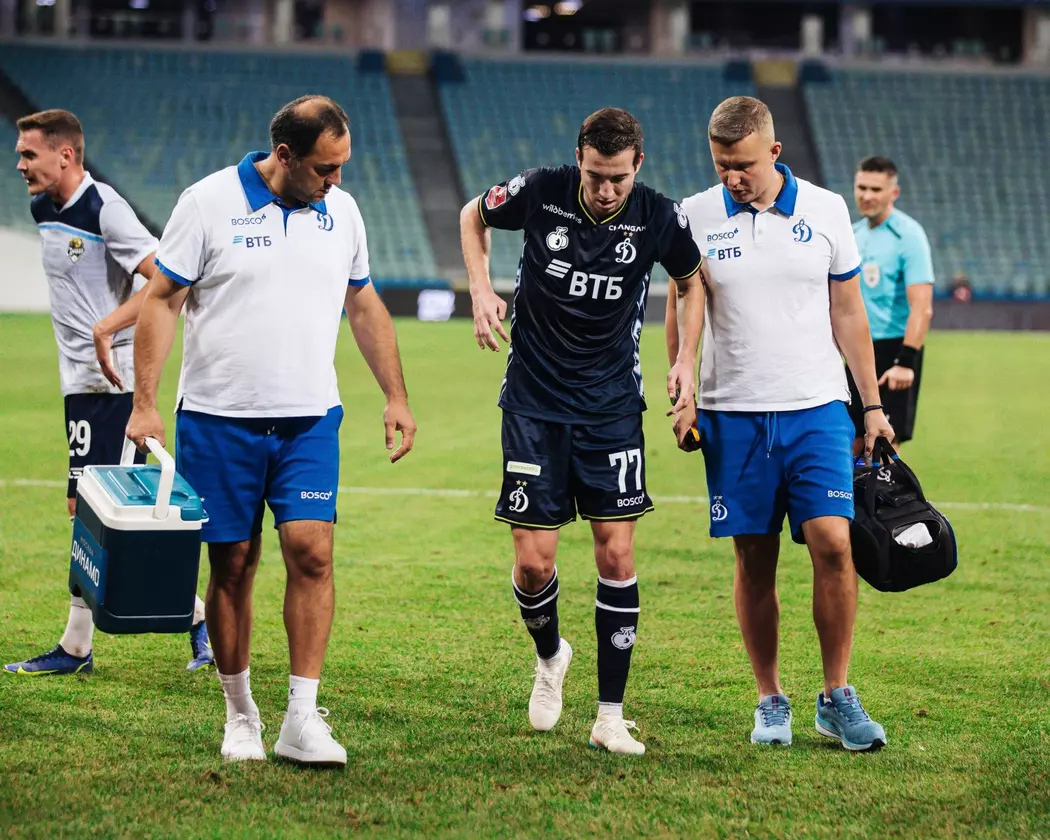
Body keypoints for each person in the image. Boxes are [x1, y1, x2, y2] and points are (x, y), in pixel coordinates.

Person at [125, 96, 417, 765]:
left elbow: (363, 302)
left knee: (312, 552)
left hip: (309, 419)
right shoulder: (206, 203)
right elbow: (162, 300)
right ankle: (240, 715)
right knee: (231, 563)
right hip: (217, 420)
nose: (336, 181)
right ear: (284, 156)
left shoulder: (342, 211)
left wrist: (396, 396)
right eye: (324, 168)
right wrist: (145, 403)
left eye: (342, 166)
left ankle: (302, 719)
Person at [462, 107, 705, 756]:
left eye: (618, 178)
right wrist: (481, 289)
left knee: (616, 554)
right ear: (579, 159)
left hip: (612, 407)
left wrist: (685, 360)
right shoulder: (541, 190)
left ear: (638, 165)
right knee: (533, 563)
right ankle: (550, 656)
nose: (605, 189)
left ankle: (609, 716)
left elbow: (691, 282)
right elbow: (471, 215)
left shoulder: (659, 215)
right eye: (596, 175)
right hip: (534, 405)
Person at [667, 96, 894, 751]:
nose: (732, 177)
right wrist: (683, 392)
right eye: (721, 165)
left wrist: (871, 405)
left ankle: (837, 695)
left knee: (834, 543)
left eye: (743, 164)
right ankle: (770, 698)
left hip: (817, 407)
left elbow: (848, 311)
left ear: (774, 151)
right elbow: (683, 306)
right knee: (754, 556)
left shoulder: (825, 210)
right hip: (732, 412)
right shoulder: (694, 215)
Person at [4, 109, 213, 677]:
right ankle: (196, 621)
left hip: (115, 387)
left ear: (65, 154)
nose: (20, 164)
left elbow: (164, 281)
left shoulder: (105, 209)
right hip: (79, 388)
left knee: (95, 513)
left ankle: (83, 647)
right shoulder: (44, 208)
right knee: (89, 511)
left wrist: (106, 328)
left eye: (29, 154)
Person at [850, 156, 935, 454]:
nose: (867, 196)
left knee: (882, 447)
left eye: (875, 189)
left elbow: (922, 307)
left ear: (893, 193)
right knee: (851, 442)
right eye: (862, 187)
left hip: (894, 349)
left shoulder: (909, 236)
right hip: (856, 348)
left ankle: (885, 490)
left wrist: (906, 361)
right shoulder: (852, 234)